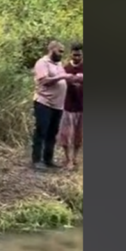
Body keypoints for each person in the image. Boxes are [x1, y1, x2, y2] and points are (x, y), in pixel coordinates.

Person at [31, 41, 79, 170]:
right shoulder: (42, 63)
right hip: (44, 102)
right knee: (41, 131)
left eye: (63, 52)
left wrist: (73, 79)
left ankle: (48, 159)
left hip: (57, 105)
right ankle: (37, 160)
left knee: (52, 133)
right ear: (51, 49)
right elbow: (44, 81)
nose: (62, 54)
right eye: (60, 51)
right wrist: (61, 76)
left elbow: (62, 79)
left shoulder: (58, 64)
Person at [58, 43, 84, 170]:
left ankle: (75, 158)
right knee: (66, 134)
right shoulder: (65, 68)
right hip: (68, 106)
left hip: (82, 106)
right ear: (71, 54)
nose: (77, 57)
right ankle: (68, 160)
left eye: (79, 55)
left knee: (79, 135)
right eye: (75, 55)